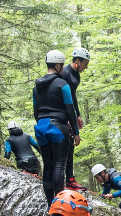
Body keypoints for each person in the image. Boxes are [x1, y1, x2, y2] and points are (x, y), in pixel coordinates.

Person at [33, 50, 81, 206]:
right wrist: (76, 132)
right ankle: (59, 204)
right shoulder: (63, 85)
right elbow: (70, 109)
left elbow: (35, 111)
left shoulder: (36, 87)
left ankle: (49, 205)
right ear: (58, 65)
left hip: (41, 127)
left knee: (48, 166)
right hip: (58, 127)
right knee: (59, 165)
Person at [60, 47, 90, 192]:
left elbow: (73, 97)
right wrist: (66, 117)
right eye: (85, 64)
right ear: (77, 60)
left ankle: (70, 178)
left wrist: (77, 115)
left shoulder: (76, 76)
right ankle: (65, 179)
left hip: (70, 111)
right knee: (66, 145)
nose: (86, 67)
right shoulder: (64, 73)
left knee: (71, 145)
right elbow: (62, 96)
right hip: (61, 112)